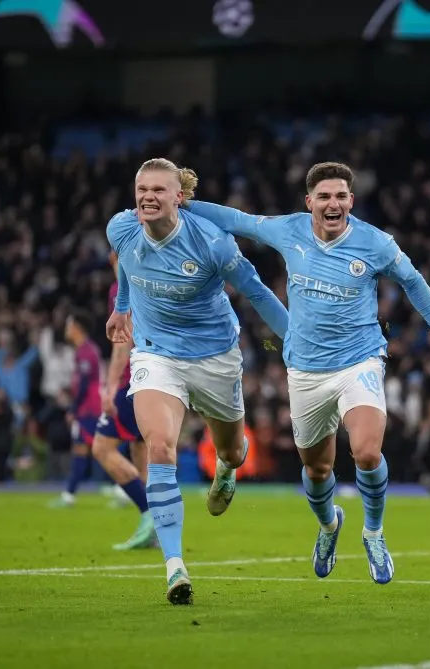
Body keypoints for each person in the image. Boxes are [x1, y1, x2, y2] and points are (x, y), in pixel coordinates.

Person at [186, 161, 430, 585]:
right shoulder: (288, 229)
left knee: (366, 452)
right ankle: (330, 525)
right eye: (325, 196)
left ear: (352, 201)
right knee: (316, 469)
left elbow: (413, 281)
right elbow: (237, 220)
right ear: (309, 201)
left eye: (341, 196)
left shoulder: (375, 243)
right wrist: (183, 203)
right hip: (306, 370)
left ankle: (374, 533)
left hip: (360, 360)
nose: (333, 204)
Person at [105, 158, 289, 605]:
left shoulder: (213, 243)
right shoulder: (121, 229)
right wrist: (123, 306)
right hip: (156, 354)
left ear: (179, 197)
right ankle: (174, 566)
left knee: (233, 450)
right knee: (160, 447)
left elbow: (257, 291)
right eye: (142, 189)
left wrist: (297, 341)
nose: (148, 197)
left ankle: (227, 467)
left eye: (158, 190)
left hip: (214, 357)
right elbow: (126, 265)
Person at [91, 251, 156, 551]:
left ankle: (148, 514)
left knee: (102, 447)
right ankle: (155, 530)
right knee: (141, 452)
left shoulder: (121, 288)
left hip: (132, 380)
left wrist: (109, 387)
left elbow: (122, 341)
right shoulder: (151, 280)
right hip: (156, 377)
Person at [50, 310, 104, 508]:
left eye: (69, 325)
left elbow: (84, 385)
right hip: (91, 407)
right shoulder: (86, 350)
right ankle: (70, 494)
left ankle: (69, 495)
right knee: (91, 449)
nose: (66, 329)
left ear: (77, 328)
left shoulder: (86, 352)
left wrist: (73, 408)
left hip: (89, 409)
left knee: (94, 449)